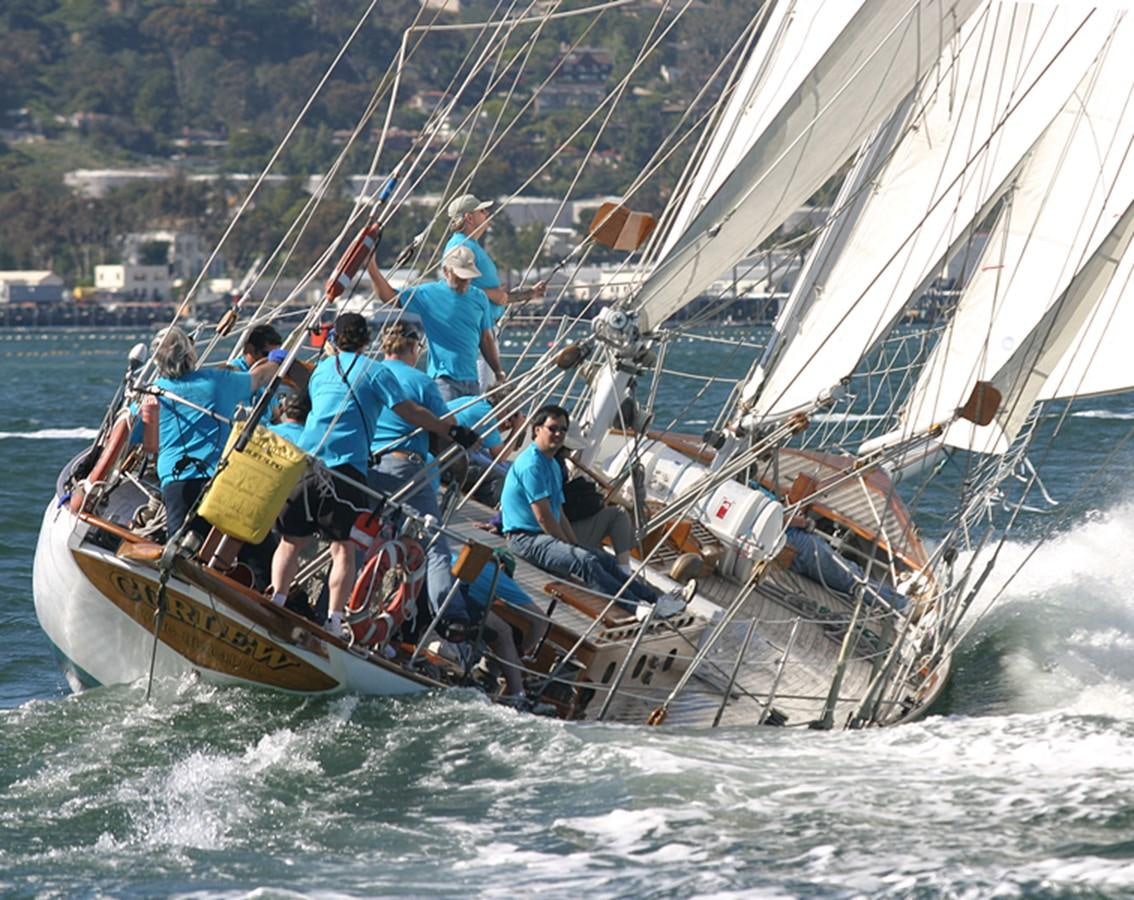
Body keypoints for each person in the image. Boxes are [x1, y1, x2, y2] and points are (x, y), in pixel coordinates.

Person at [365, 323, 527, 698]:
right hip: (409, 466)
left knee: (367, 538)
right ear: (415, 348)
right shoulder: (421, 382)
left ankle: (340, 613)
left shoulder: (371, 373)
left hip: (370, 467)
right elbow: (445, 424)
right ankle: (450, 615)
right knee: (435, 543)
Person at [269, 313, 457, 633]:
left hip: (309, 463)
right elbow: (408, 411)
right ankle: (334, 621)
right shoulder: (375, 371)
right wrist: (449, 429)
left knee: (291, 541)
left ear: (335, 340)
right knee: (342, 547)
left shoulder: (324, 369)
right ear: (367, 341)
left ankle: (276, 603)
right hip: (345, 470)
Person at [500, 404, 688, 619]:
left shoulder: (550, 463)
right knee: (585, 561)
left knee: (602, 558)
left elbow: (559, 511)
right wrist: (568, 547)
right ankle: (635, 607)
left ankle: (657, 600)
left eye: (562, 429)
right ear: (537, 429)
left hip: (542, 537)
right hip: (525, 539)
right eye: (552, 428)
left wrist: (573, 543)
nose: (559, 434)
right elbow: (544, 517)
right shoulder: (532, 465)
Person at [146, 325, 277, 538]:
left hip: (175, 481)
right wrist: (277, 361)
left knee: (178, 547)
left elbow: (129, 428)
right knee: (246, 549)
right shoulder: (216, 381)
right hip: (217, 479)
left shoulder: (152, 393)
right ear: (190, 353)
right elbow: (259, 378)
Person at [368, 244, 507, 402]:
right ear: (446, 271)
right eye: (460, 276)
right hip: (443, 380)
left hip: (472, 380)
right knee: (445, 425)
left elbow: (486, 339)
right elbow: (390, 297)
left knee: (469, 425)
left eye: (468, 277)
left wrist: (498, 371)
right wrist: (372, 267)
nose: (464, 281)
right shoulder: (428, 294)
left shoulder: (480, 298)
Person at [443, 193, 544, 390]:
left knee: (486, 390)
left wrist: (529, 294)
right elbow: (455, 284)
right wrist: (492, 294)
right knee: (483, 394)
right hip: (477, 332)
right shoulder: (460, 246)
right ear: (469, 218)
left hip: (484, 328)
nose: (487, 214)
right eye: (482, 211)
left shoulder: (470, 245)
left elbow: (499, 296)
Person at [554, 447, 637, 567]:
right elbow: (554, 513)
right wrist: (572, 545)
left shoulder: (551, 463)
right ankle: (625, 570)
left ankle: (621, 567)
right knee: (618, 514)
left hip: (557, 530)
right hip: (560, 535)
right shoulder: (554, 466)